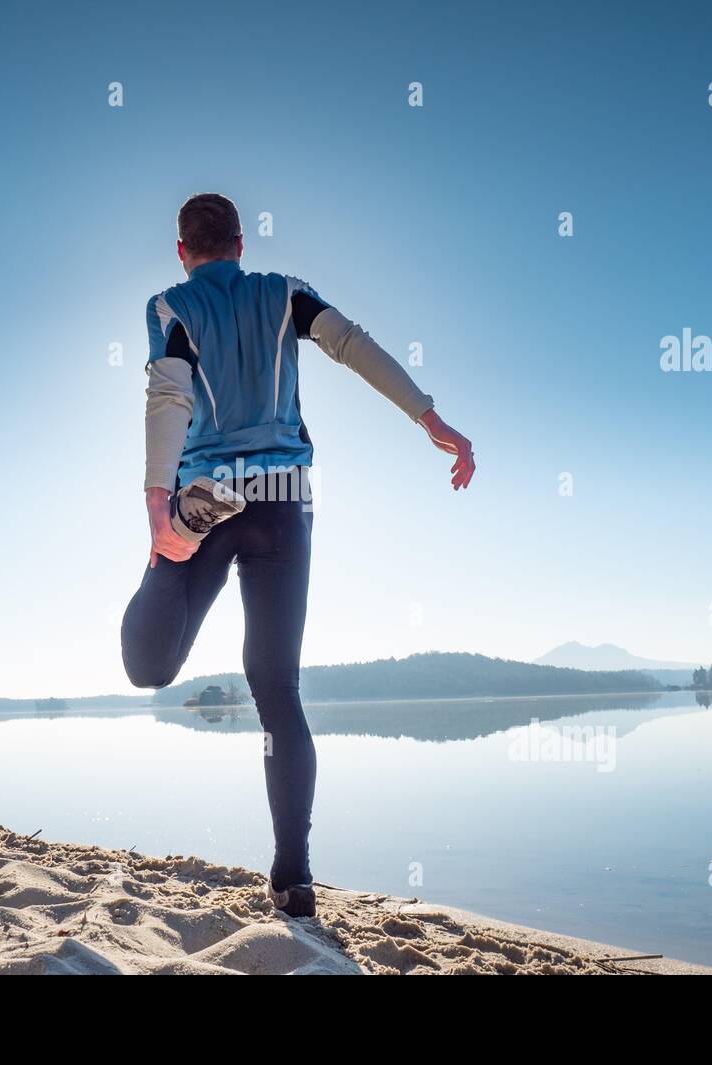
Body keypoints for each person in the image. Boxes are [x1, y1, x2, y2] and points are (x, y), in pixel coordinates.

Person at [121, 193, 474, 917]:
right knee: (276, 689)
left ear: (183, 250)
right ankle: (293, 879)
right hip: (284, 499)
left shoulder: (170, 305)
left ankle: (174, 542)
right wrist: (428, 415)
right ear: (241, 244)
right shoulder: (285, 294)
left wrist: (159, 501)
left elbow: (170, 392)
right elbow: (351, 342)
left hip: (208, 494)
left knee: (148, 665)